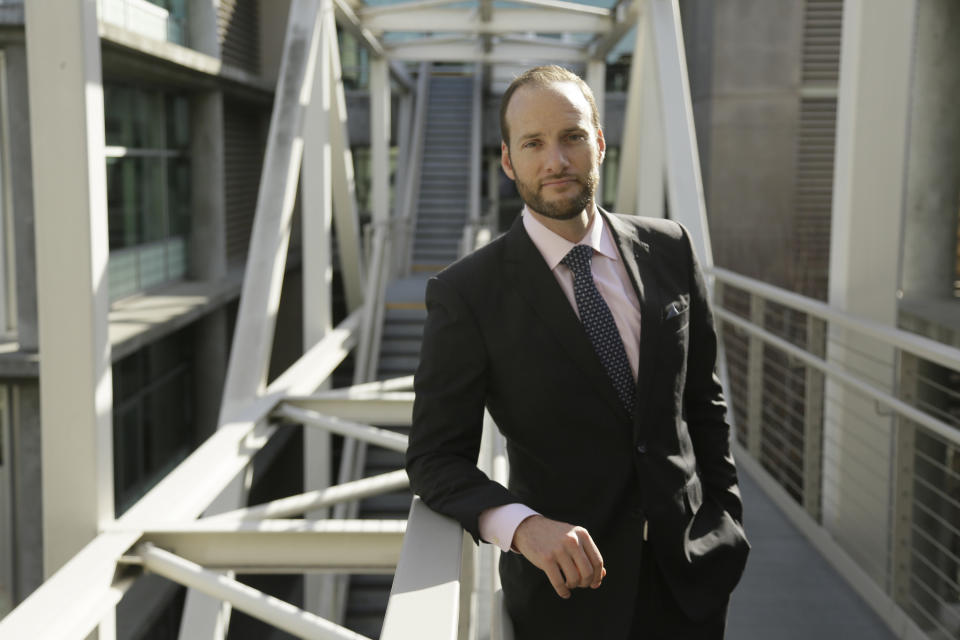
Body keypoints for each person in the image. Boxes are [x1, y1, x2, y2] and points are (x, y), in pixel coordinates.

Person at [405, 65, 749, 639]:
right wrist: (521, 526)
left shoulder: (670, 247)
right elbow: (435, 457)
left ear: (600, 143)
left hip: (693, 578)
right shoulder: (467, 294)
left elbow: (702, 400)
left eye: (572, 137)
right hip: (569, 603)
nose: (556, 161)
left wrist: (726, 518)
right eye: (534, 144)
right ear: (509, 161)